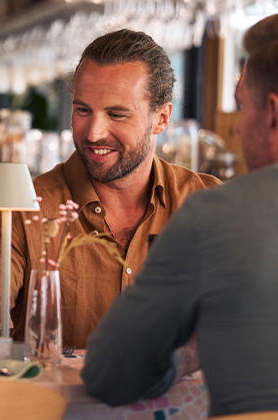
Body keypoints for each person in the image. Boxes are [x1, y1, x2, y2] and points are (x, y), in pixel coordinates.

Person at [0, 29, 220, 348]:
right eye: (83, 110)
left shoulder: (206, 203)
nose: (94, 132)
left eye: (117, 115)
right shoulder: (27, 206)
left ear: (162, 118)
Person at [81, 14, 278, 417]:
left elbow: (112, 372)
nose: (237, 129)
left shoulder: (215, 213)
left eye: (242, 108)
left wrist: (192, 353)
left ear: (273, 114)